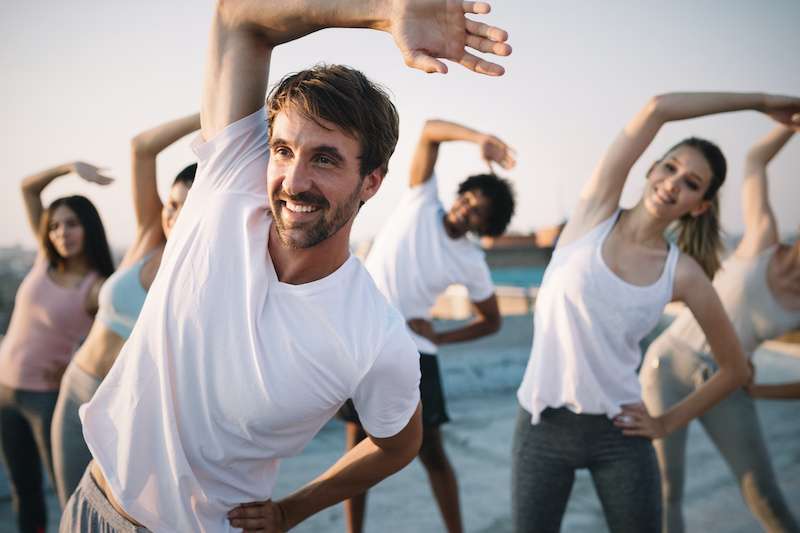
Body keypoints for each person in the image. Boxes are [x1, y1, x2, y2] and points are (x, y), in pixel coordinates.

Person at [59, 1, 512, 531]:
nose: (293, 182)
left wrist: (291, 510)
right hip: (91, 504)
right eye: (282, 150)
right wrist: (385, 12)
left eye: (325, 158)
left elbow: (398, 445)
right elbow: (238, 17)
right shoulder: (229, 180)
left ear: (372, 181)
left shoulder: (375, 338)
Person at [513, 92, 800, 533]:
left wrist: (666, 422)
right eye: (670, 168)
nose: (673, 183)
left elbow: (733, 368)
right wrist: (760, 102)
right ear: (651, 169)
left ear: (699, 205)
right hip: (541, 425)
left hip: (621, 433)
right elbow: (657, 108)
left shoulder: (682, 274)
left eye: (691, 183)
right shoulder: (593, 213)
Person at [341, 118, 516, 533]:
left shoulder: (471, 261)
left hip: (415, 351)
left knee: (431, 451)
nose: (468, 207)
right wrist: (481, 138)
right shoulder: (422, 198)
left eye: (479, 211)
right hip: (363, 335)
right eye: (470, 197)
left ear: (484, 226)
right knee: (356, 446)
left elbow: (491, 321)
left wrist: (441, 334)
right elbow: (430, 131)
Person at [641, 120, 800, 533]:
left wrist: (758, 390)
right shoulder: (763, 238)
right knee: (665, 492)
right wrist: (793, 122)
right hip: (668, 366)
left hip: (729, 382)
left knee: (765, 498)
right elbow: (755, 159)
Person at [50, 113, 201, 507]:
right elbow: (142, 148)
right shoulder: (150, 237)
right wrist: (216, 112)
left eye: (186, 207)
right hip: (76, 388)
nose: (171, 215)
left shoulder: (204, 279)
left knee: (114, 516)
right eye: (170, 204)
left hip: (126, 414)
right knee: (70, 508)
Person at [0, 163, 114, 533]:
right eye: (55, 225)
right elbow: (29, 188)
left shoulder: (97, 288)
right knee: (24, 490)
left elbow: (110, 346)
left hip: (47, 400)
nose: (62, 232)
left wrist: (69, 370)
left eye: (72, 224)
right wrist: (69, 168)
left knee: (69, 493)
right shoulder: (43, 259)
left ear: (88, 229)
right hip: (5, 393)